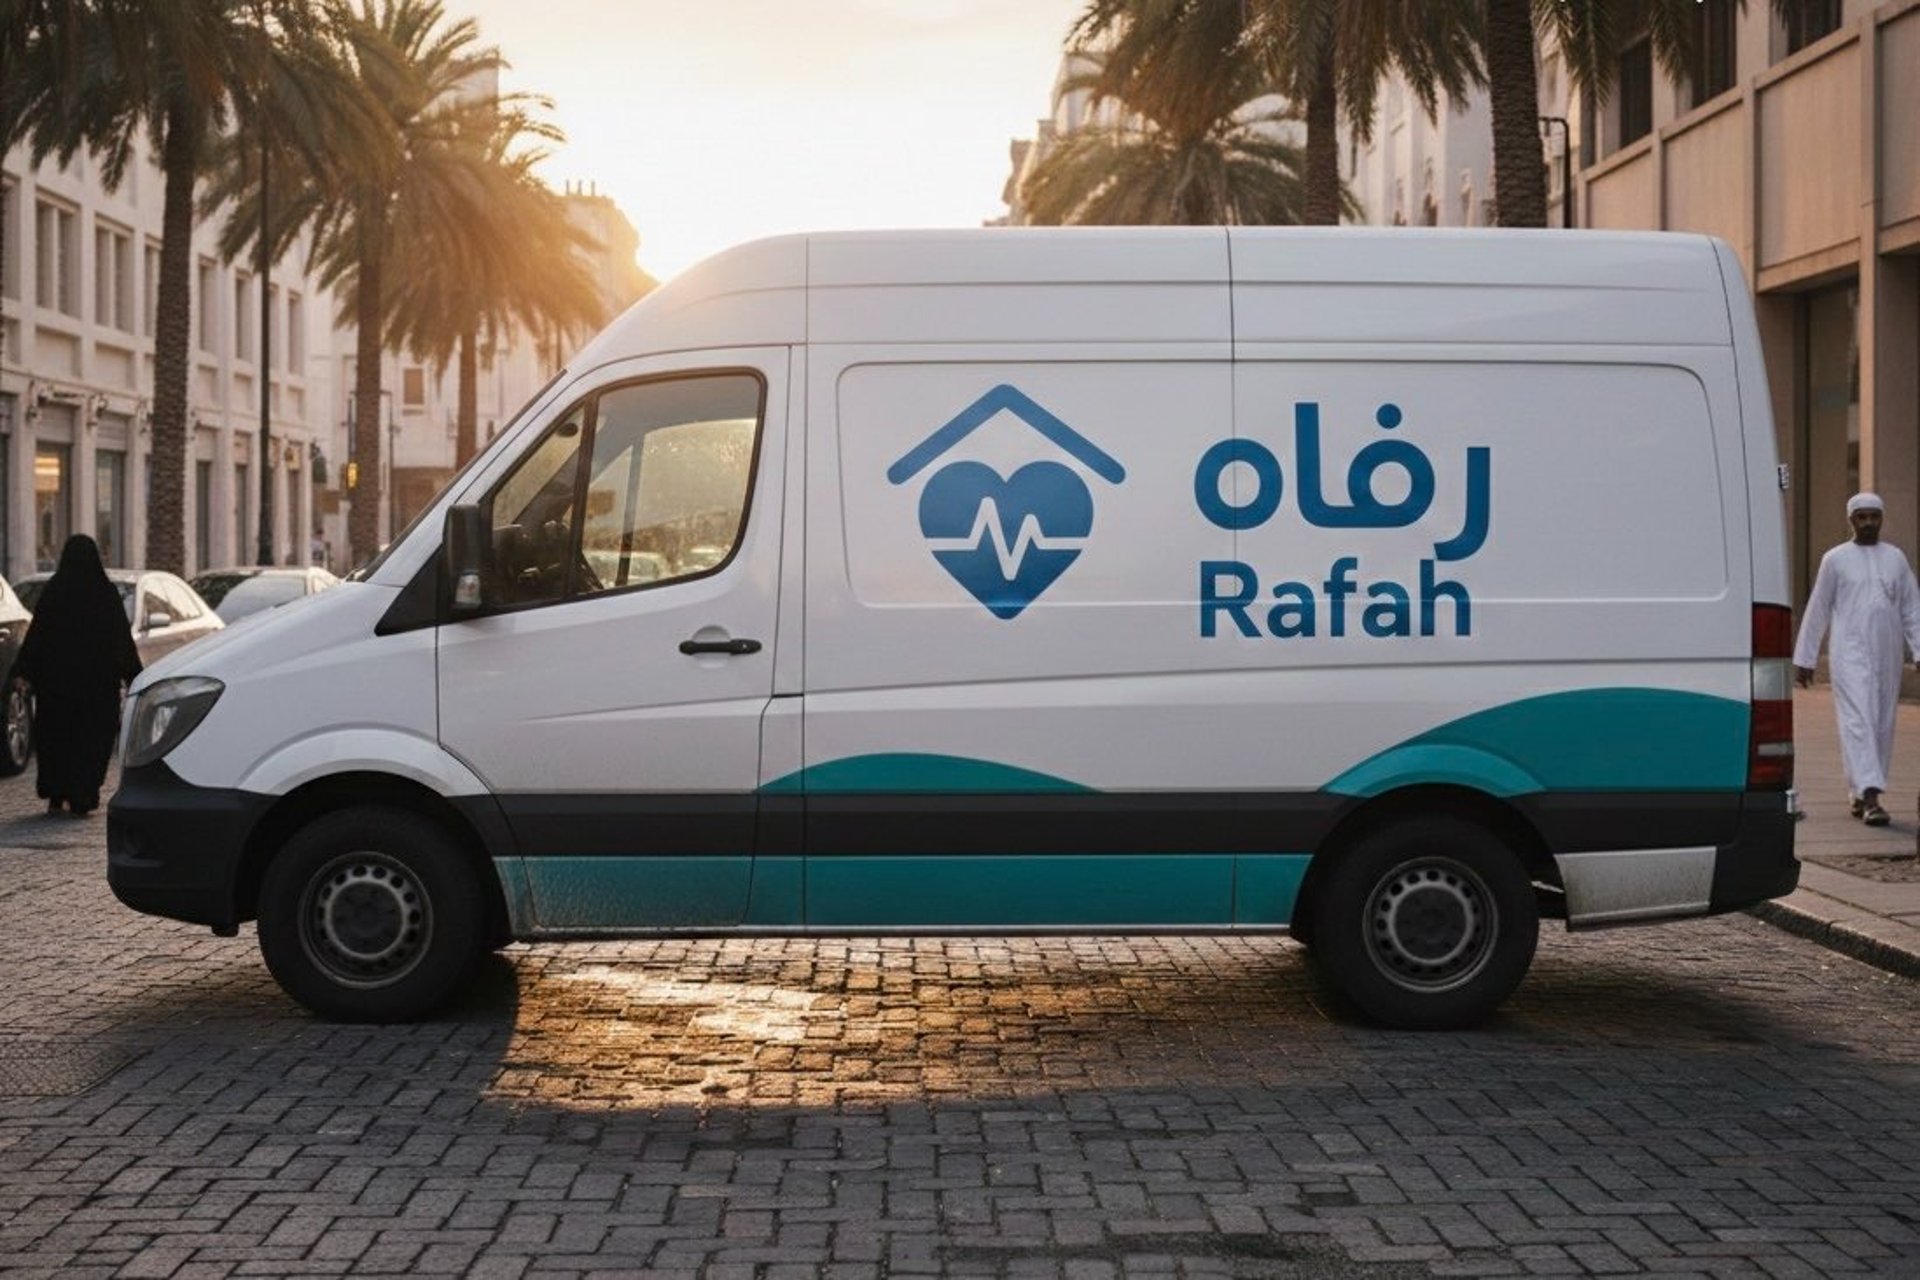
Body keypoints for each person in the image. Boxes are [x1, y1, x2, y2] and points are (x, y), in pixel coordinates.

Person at [1793, 493, 1920, 826]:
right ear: (1851, 520)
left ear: (1881, 518)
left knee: (1881, 724)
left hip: (1887, 654)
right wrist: (1805, 657)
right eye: (1861, 517)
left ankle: (1859, 791)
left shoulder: (1896, 558)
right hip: (1848, 654)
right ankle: (1872, 796)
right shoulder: (1835, 559)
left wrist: (1918, 649)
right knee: (1858, 721)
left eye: (1873, 517)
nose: (1867, 523)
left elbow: (1912, 609)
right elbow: (1818, 608)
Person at [15, 535, 142, 816]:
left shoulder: (54, 592)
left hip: (56, 688)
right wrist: (134, 675)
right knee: (90, 741)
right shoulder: (105, 594)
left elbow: (36, 636)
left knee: (57, 739)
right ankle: (83, 793)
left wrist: (23, 672)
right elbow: (121, 639)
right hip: (96, 689)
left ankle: (57, 791)